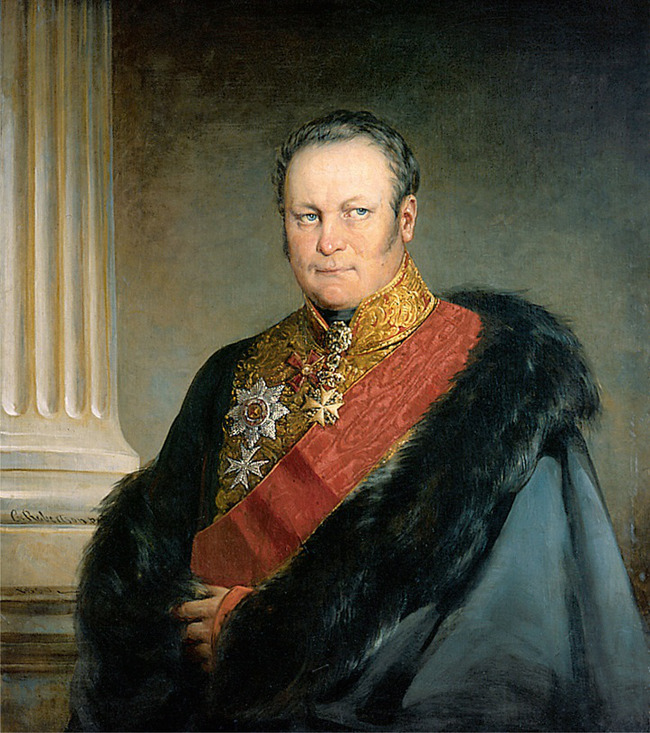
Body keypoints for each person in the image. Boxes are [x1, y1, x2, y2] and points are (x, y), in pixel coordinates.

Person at [69, 110, 648, 732]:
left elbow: (499, 647)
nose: (329, 243)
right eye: (307, 216)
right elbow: (152, 586)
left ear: (406, 219)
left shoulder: (501, 386)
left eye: (357, 213)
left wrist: (254, 638)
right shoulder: (228, 374)